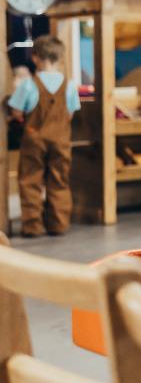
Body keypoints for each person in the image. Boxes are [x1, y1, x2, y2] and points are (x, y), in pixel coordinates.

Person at [9, 36, 80, 236]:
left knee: (30, 181)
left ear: (35, 58)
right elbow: (70, 113)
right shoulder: (70, 85)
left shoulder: (28, 84)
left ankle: (33, 226)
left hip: (34, 140)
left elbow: (16, 110)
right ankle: (58, 224)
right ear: (60, 58)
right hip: (61, 140)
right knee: (59, 181)